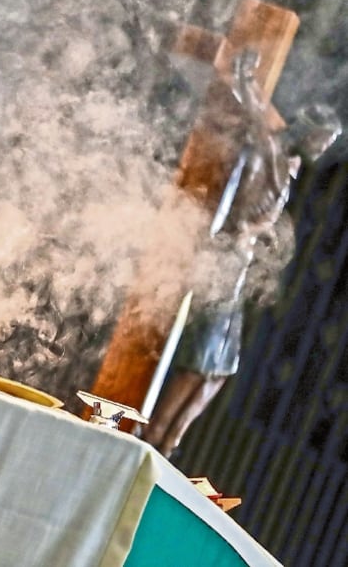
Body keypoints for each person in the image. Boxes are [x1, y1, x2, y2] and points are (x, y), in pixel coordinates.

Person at [143, 51, 341, 456]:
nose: (325, 147)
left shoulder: (284, 163)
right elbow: (257, 118)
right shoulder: (270, 151)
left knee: (219, 370)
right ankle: (153, 439)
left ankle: (168, 444)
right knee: (200, 363)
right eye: (324, 138)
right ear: (307, 131)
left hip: (237, 265)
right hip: (222, 261)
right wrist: (244, 76)